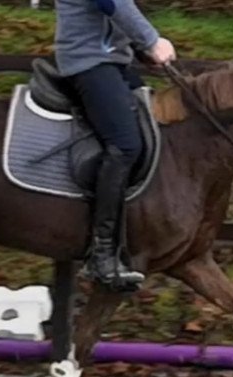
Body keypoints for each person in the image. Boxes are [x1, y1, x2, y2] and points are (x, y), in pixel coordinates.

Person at [54, 0, 177, 290]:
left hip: (112, 61)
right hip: (88, 61)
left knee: (156, 129)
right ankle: (102, 254)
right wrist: (151, 40)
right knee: (125, 145)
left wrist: (139, 49)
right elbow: (111, 2)